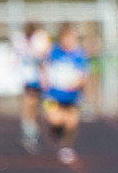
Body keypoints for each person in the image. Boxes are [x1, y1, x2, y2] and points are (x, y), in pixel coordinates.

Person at [42, 22, 88, 164]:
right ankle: (55, 132)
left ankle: (67, 147)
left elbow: (83, 76)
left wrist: (76, 84)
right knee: (55, 120)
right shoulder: (52, 52)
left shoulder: (79, 54)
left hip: (72, 96)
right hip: (53, 95)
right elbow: (44, 69)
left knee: (71, 122)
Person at [13, 22, 51, 153]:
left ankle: (32, 126)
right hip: (28, 77)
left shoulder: (39, 39)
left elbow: (44, 54)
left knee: (37, 104)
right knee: (29, 102)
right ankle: (29, 128)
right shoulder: (20, 41)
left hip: (39, 78)